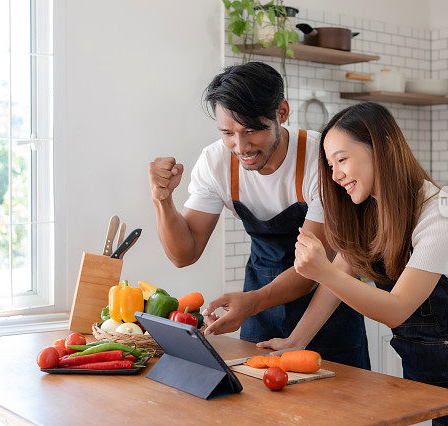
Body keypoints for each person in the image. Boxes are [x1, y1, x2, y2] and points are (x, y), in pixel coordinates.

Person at [261, 102, 448, 424]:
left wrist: (322, 271)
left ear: (383, 148)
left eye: (342, 159)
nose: (336, 174)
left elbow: (398, 309)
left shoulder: (439, 211)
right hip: (421, 367)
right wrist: (295, 341)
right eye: (330, 165)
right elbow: (341, 273)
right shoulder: (367, 210)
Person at [148, 62, 369, 369]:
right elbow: (183, 254)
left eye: (251, 130)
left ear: (282, 112)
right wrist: (163, 200)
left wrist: (251, 302)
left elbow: (312, 268)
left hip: (327, 313)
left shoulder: (322, 160)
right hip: (259, 312)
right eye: (228, 133)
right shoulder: (215, 162)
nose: (241, 146)